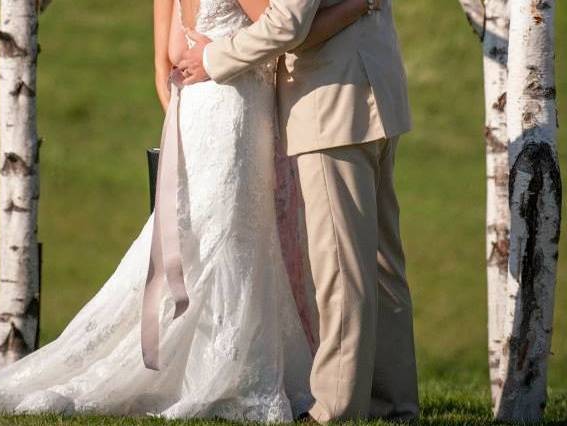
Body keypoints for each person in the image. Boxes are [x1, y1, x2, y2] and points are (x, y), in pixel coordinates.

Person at [0, 0, 376, 422]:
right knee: (232, 237)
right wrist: (357, 5)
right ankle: (229, 366)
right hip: (235, 105)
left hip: (194, 107)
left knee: (201, 234)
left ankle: (204, 359)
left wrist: (187, 105)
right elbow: (287, 31)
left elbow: (167, 59)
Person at [179, 0, 419, 421]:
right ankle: (394, 406)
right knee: (382, 267)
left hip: (331, 103)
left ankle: (335, 411)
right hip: (373, 89)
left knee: (342, 272)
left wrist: (213, 57)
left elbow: (288, 23)